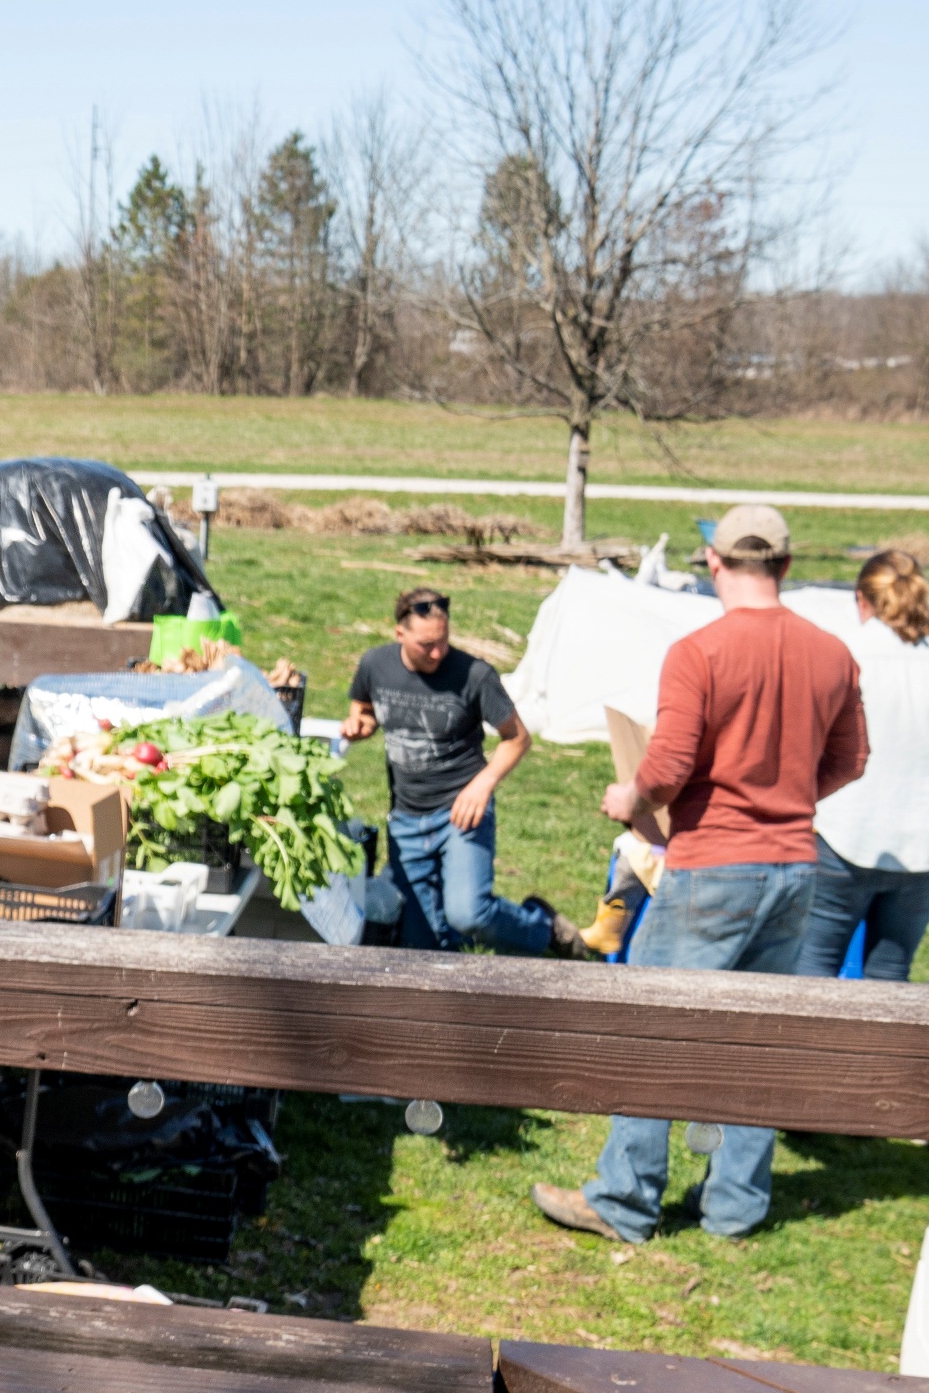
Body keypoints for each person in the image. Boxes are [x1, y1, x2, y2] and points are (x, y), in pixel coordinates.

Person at [535, 505, 868, 1244]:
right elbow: (849, 760)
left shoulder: (698, 651)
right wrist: (782, 798)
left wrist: (628, 796)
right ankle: (734, 1207)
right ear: (783, 565)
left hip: (711, 866)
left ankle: (623, 1200)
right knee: (753, 1042)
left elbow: (669, 766)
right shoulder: (832, 653)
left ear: (711, 561)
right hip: (792, 870)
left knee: (652, 1033)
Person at [793, 550, 929, 981]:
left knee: (813, 965)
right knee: (889, 971)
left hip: (844, 830)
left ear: (861, 600)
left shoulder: (845, 655)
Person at [344, 586, 575, 956]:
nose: (437, 652)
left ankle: (543, 929)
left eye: (443, 641)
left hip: (461, 811)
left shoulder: (475, 675)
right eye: (426, 645)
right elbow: (364, 708)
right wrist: (361, 726)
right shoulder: (375, 665)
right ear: (399, 634)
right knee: (424, 947)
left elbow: (517, 739)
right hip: (405, 818)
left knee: (469, 913)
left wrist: (481, 786)